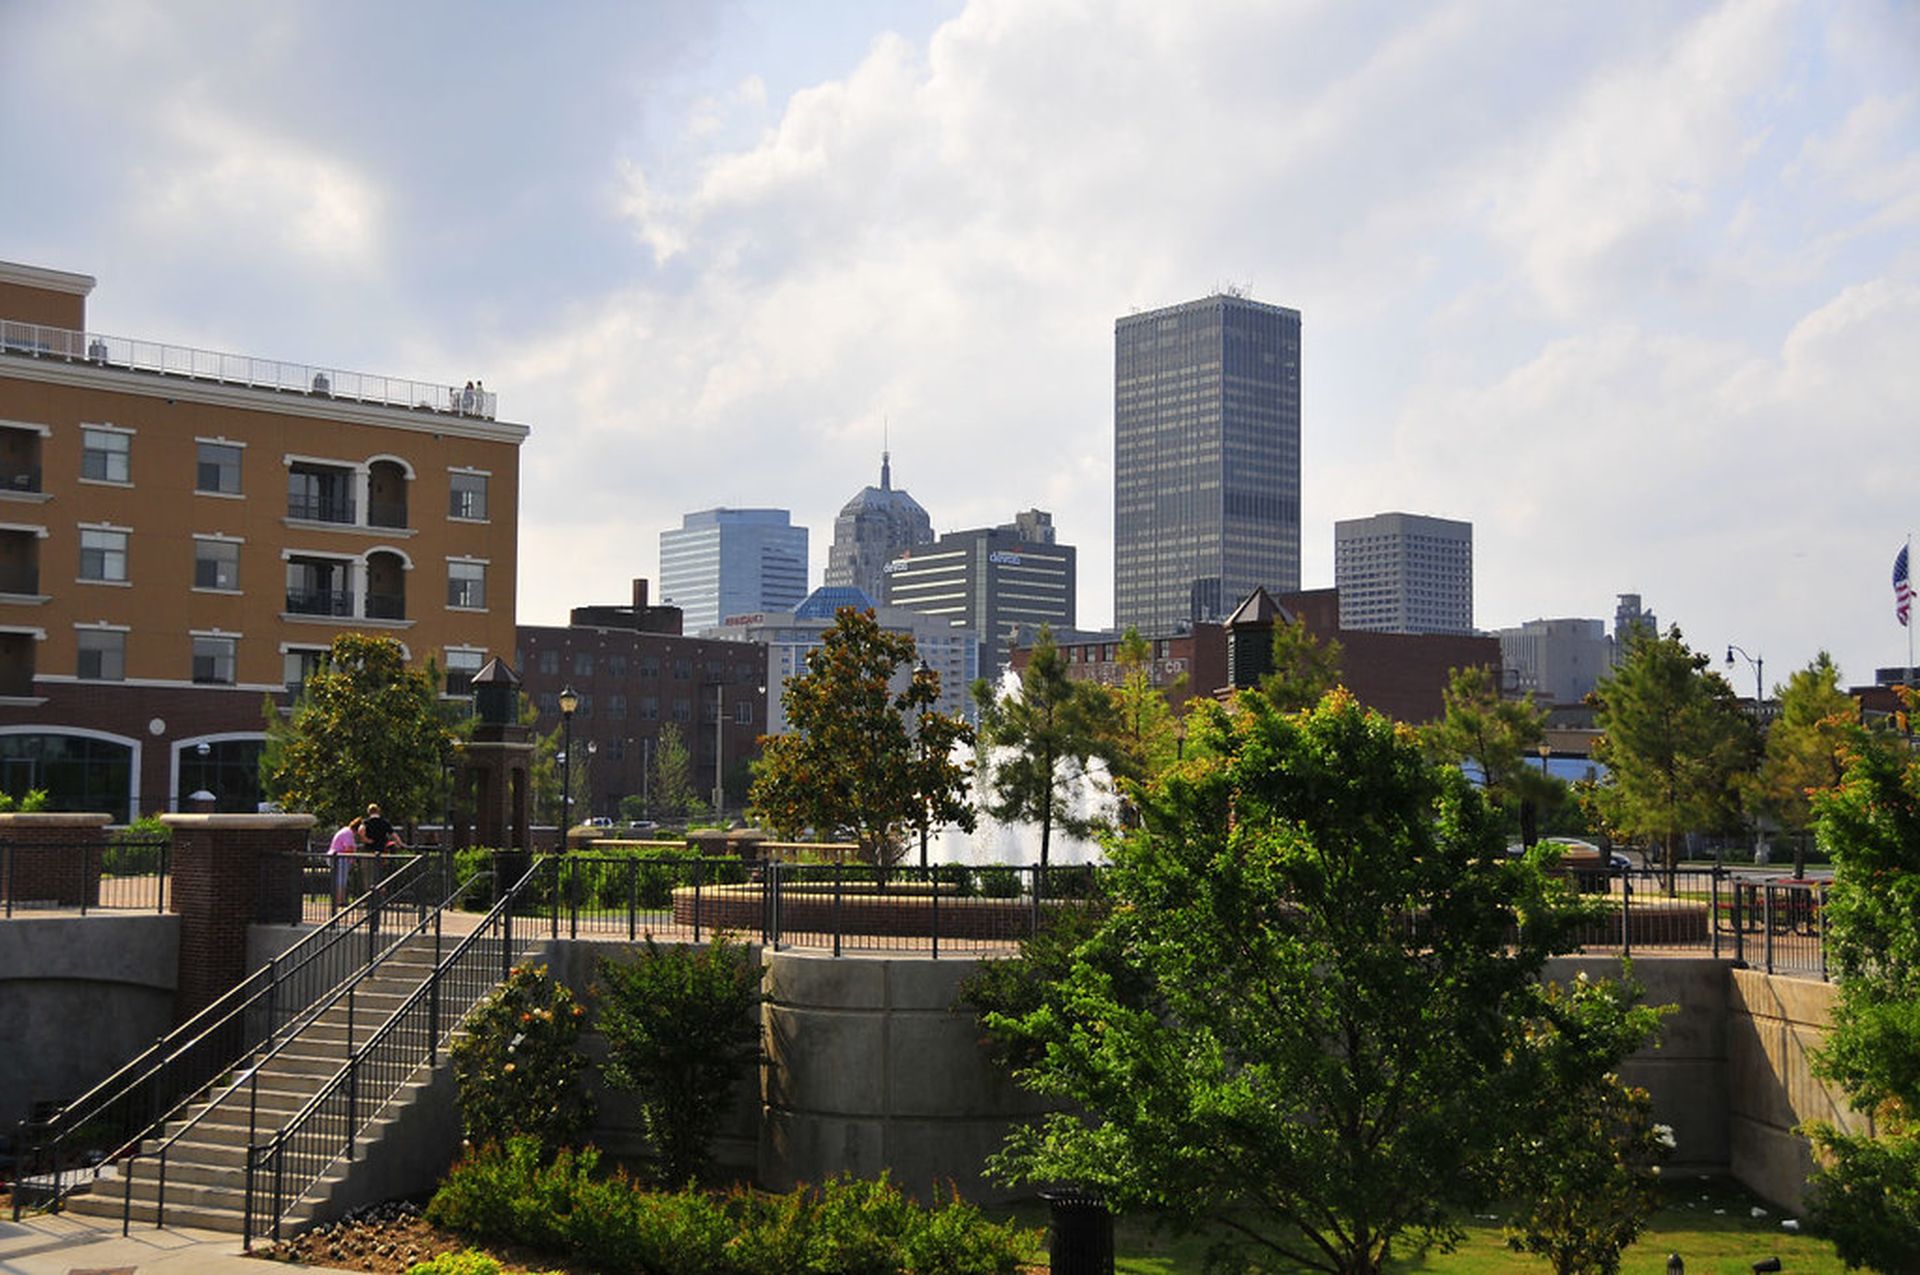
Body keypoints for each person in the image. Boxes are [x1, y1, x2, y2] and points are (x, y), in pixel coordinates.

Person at [327, 816, 363, 909]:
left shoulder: (346, 831)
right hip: (340, 858)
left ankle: (340, 899)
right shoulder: (348, 833)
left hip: (338, 858)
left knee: (341, 878)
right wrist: (354, 857)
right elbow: (348, 848)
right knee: (341, 879)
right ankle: (340, 900)